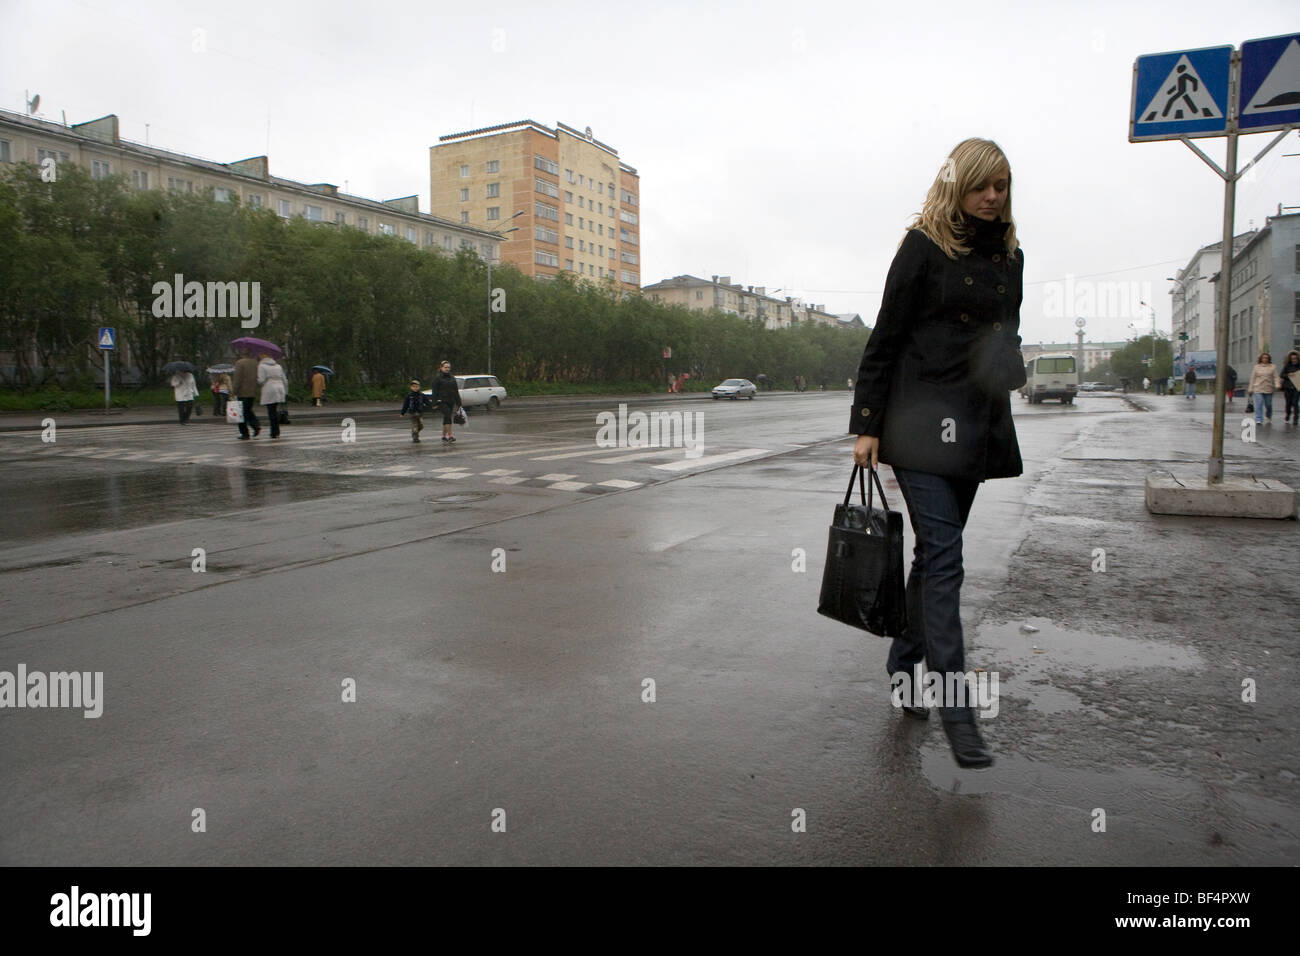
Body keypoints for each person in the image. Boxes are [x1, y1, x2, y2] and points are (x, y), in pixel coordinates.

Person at [850, 138, 1026, 770]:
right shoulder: (922, 247)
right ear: (957, 186)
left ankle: (903, 664)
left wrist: (1011, 364)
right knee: (947, 555)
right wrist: (867, 423)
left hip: (976, 426)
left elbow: (1004, 331)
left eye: (1001, 186)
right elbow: (886, 333)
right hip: (920, 424)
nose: (992, 196)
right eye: (982, 185)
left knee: (932, 556)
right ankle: (956, 707)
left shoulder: (1010, 256)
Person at [256, 352, 287, 439]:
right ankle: (276, 431)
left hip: (269, 388)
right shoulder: (278, 366)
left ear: (262, 356)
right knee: (275, 410)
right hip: (280, 388)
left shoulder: (261, 366)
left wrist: (257, 380)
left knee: (271, 411)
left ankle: (274, 432)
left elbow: (261, 380)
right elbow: (284, 378)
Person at [232, 349, 261, 439]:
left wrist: (234, 390)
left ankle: (245, 432)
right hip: (252, 391)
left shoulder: (240, 363)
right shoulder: (255, 363)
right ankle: (255, 425)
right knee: (248, 410)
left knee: (241, 413)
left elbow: (237, 379)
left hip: (242, 391)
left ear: (242, 353)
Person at [1247, 352, 1280, 426]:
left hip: (1269, 388)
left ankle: (1268, 416)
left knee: (1268, 404)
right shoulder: (1256, 367)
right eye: (1263, 358)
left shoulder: (1273, 367)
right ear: (1261, 359)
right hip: (1258, 388)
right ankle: (1259, 419)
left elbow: (1276, 377)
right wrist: (1250, 388)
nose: (1265, 359)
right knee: (1259, 403)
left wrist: (1277, 384)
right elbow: (1253, 378)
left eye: (1266, 358)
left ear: (1269, 359)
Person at [433, 360, 461, 443]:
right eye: (445, 367)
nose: (447, 369)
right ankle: (450, 436)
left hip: (451, 401)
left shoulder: (452, 378)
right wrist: (434, 403)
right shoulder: (437, 378)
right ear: (441, 368)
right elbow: (434, 391)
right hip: (442, 401)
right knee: (448, 416)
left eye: (448, 367)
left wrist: (459, 403)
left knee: (446, 418)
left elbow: (456, 391)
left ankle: (443, 436)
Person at [1280, 350, 1300, 424]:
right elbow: (1282, 375)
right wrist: (1288, 375)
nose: (1294, 360)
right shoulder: (1287, 366)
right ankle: (1288, 414)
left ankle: (1296, 419)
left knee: (1295, 403)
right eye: (1292, 359)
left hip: (1297, 387)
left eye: (1295, 358)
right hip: (1288, 387)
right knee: (1288, 403)